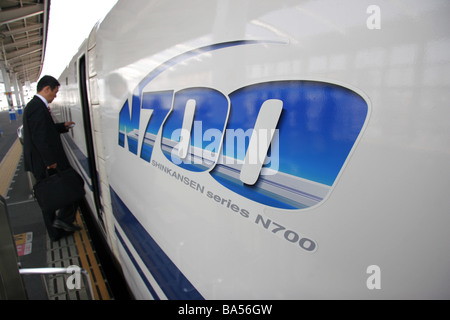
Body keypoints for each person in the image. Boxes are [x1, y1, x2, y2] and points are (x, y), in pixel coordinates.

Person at [22, 75, 80, 241]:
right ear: (46, 89)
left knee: (65, 190)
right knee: (62, 191)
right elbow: (39, 137)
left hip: (45, 161)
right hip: (45, 163)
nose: (54, 97)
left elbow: (45, 130)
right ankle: (57, 229)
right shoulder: (36, 107)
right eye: (54, 93)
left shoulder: (37, 106)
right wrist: (50, 162)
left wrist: (62, 126)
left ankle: (61, 225)